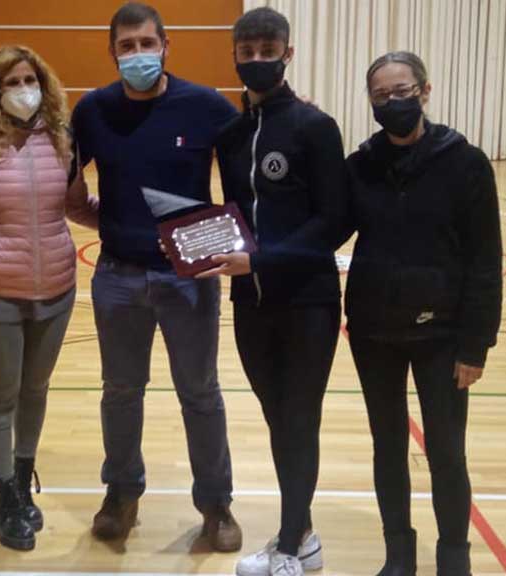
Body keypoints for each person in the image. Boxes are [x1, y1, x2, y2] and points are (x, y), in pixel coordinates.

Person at [71, 1, 242, 551]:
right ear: (113, 52)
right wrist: (114, 223)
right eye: (127, 46)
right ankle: (121, 494)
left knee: (200, 392)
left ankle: (215, 504)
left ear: (166, 46)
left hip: (188, 278)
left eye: (147, 43)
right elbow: (69, 189)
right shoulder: (93, 110)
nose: (138, 54)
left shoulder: (205, 106)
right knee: (121, 392)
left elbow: (253, 161)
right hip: (117, 277)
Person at [343, 51, 503, 576]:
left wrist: (476, 344)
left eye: (402, 91)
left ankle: (454, 557)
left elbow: (485, 260)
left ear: (425, 92)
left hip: (443, 334)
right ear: (370, 102)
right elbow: (326, 226)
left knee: (447, 450)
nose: (393, 102)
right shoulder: (361, 166)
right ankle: (399, 554)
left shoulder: (465, 162)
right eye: (381, 95)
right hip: (373, 332)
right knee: (388, 445)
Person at [204, 7, 347, 576]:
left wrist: (263, 260)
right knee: (277, 417)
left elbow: (335, 220)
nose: (258, 60)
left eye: (269, 51)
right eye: (248, 52)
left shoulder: (315, 127)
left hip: (309, 302)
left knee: (299, 418)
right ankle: (303, 535)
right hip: (252, 304)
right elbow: (236, 215)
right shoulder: (232, 136)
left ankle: (289, 544)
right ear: (235, 56)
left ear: (288, 54)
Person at [0, 44, 98, 551]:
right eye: (10, 83)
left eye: (28, 80)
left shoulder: (63, 139)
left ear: (43, 84)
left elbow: (76, 204)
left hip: (56, 288)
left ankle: (20, 480)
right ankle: (3, 499)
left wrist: (133, 227)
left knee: (35, 389)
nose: (22, 90)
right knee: (1, 395)